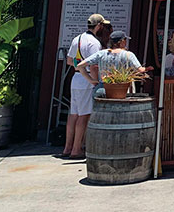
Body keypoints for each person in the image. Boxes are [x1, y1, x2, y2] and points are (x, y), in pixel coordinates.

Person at [59, 13, 107, 159]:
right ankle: (77, 148)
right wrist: (94, 81)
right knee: (84, 115)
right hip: (87, 79)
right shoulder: (94, 43)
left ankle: (67, 147)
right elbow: (94, 66)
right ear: (98, 26)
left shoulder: (77, 39)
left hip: (76, 78)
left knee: (73, 114)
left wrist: (78, 66)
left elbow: (69, 60)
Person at [76, 31, 150, 98]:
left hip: (102, 89)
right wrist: (148, 68)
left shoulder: (101, 54)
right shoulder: (128, 55)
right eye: (125, 40)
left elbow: (79, 65)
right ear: (121, 42)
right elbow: (140, 70)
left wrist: (91, 80)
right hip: (121, 90)